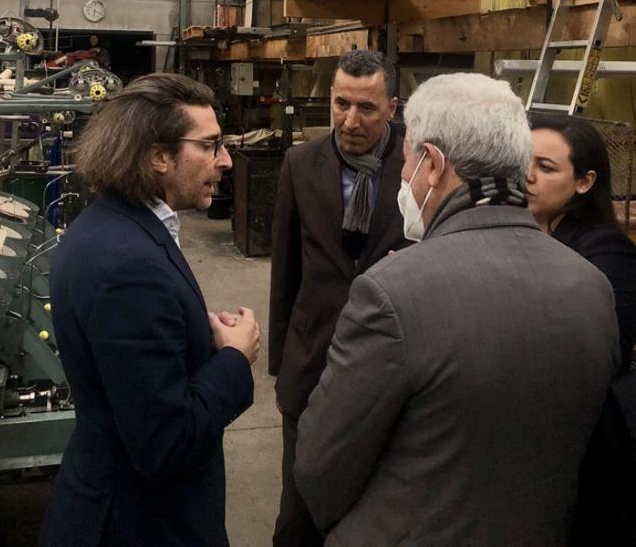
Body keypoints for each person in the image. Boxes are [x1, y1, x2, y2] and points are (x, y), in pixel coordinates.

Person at [295, 73, 620, 546]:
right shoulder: (591, 286)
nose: (402, 176)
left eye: (407, 161)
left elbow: (321, 467)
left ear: (432, 164)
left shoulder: (391, 293)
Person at [40, 73, 260, 547]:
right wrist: (234, 357)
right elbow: (166, 442)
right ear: (159, 156)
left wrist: (193, 335)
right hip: (139, 523)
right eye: (209, 145)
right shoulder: (128, 267)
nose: (224, 160)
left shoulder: (114, 225)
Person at [268, 49, 408, 547]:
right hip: (312, 357)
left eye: (367, 108)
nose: (350, 120)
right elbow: (286, 266)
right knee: (298, 508)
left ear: (391, 108)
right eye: (341, 104)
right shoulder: (301, 163)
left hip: (387, 357)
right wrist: (282, 363)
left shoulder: (419, 164)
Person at [527, 113, 636, 545]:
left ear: (585, 182)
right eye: (524, 161)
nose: (528, 176)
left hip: (584, 448)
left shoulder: (607, 252)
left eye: (546, 167)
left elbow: (604, 350)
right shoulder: (521, 236)